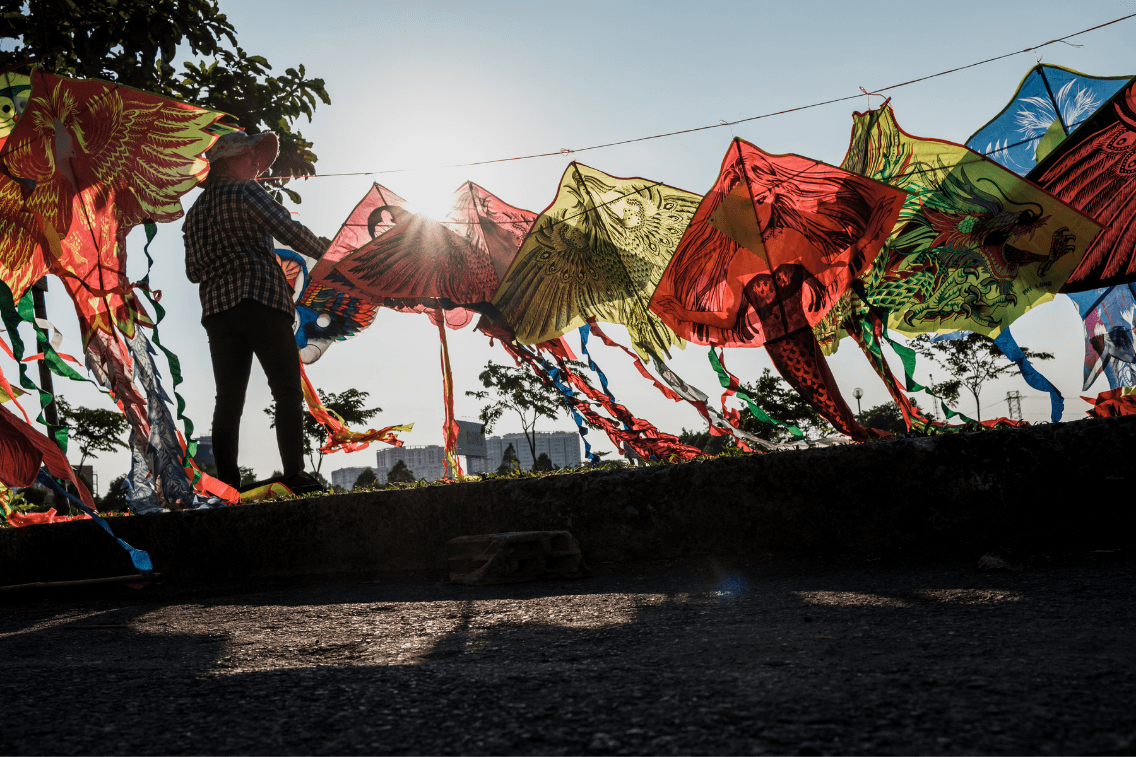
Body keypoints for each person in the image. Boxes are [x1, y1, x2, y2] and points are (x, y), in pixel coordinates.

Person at [183, 130, 326, 495]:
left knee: (228, 399)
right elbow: (288, 229)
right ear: (229, 161)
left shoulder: (195, 214)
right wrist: (329, 251)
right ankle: (294, 473)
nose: (257, 166)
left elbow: (193, 272)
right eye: (250, 158)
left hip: (218, 312)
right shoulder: (245, 191)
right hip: (261, 300)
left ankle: (228, 484)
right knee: (287, 392)